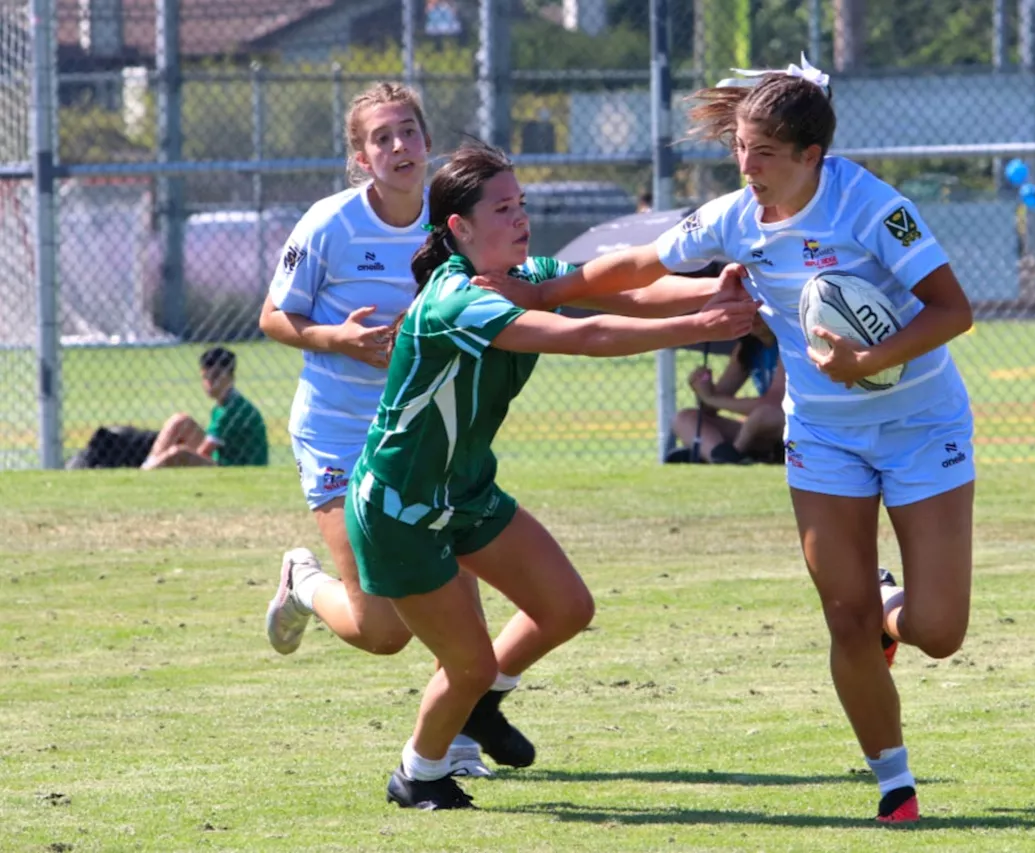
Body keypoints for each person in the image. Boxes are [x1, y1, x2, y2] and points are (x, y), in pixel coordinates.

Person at [486, 55, 976, 824]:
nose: (747, 166)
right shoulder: (734, 218)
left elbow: (953, 310)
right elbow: (638, 263)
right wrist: (544, 290)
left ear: (812, 157)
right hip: (822, 438)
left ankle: (892, 606)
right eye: (741, 149)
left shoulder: (873, 207)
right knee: (841, 615)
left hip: (921, 425)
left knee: (939, 632)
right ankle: (895, 785)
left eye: (766, 153)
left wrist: (865, 360)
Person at [347, 141, 758, 810]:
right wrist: (699, 323)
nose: (520, 218)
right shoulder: (455, 301)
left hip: (465, 491)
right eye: (503, 208)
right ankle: (417, 771)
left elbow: (614, 277)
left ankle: (478, 711)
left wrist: (714, 286)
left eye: (522, 204)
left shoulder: (521, 274)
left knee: (567, 607)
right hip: (401, 509)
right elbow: (587, 335)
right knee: (470, 663)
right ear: (459, 227)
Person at [257, 81, 509, 777]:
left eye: (409, 132)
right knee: (383, 629)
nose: (399, 146)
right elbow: (273, 318)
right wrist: (339, 338)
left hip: (422, 434)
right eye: (382, 138)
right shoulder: (328, 224)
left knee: (453, 580)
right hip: (339, 436)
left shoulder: (449, 221)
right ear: (361, 158)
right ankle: (302, 582)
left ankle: (455, 740)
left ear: (427, 142)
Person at [665, 318, 785, 464]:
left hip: (787, 425)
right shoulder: (747, 348)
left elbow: (774, 403)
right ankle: (721, 457)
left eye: (760, 309)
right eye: (748, 309)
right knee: (683, 418)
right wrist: (702, 389)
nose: (754, 316)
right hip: (758, 432)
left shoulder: (789, 345)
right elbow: (709, 408)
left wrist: (710, 398)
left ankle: (735, 454)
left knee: (763, 415)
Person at [141, 346, 268, 469]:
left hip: (236, 468)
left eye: (216, 376)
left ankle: (145, 475)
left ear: (231, 377)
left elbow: (204, 453)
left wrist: (183, 455)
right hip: (223, 459)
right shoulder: (224, 405)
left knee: (179, 454)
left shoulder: (232, 410)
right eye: (205, 377)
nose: (209, 383)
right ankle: (147, 466)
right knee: (180, 421)